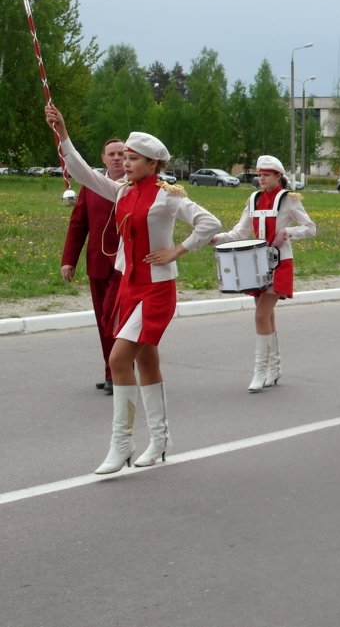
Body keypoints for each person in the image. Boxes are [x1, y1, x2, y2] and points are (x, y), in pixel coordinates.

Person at [45, 103, 221, 474]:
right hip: (129, 285)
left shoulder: (168, 194)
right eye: (123, 157)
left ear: (154, 163)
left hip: (156, 290)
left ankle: (121, 444)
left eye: (134, 158)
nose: (125, 163)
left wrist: (177, 250)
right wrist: (63, 134)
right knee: (145, 359)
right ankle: (159, 440)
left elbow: (209, 222)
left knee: (118, 360)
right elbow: (82, 173)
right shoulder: (122, 192)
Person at [211, 156, 316, 392]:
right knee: (266, 317)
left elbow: (311, 228)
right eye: (259, 175)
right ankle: (274, 368)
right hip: (256, 263)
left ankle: (260, 371)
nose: (261, 179)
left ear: (278, 176)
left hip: (280, 263)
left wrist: (287, 232)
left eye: (266, 175)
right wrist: (219, 238)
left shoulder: (289, 199)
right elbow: (241, 231)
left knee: (261, 315)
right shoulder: (254, 199)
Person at [60, 137, 126, 394]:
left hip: (125, 267)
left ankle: (121, 372)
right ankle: (112, 373)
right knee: (102, 320)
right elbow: (78, 225)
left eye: (122, 154)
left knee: (114, 318)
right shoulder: (90, 186)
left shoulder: (135, 187)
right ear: (103, 158)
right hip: (97, 264)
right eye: (112, 154)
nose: (117, 158)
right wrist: (69, 260)